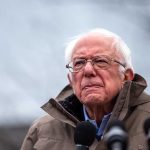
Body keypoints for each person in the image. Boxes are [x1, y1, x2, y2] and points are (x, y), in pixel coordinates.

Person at [21, 28, 150, 150]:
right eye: (79, 63)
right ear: (71, 80)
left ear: (126, 76)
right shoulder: (42, 131)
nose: (87, 70)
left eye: (100, 61)